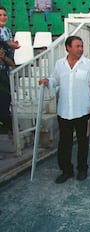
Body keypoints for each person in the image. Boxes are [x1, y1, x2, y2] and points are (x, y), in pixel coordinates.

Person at [39, 36, 90, 184]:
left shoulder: (88, 64)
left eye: (81, 46)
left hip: (82, 110)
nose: (80, 49)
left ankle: (82, 169)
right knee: (64, 143)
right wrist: (48, 81)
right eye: (77, 46)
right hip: (64, 111)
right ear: (68, 47)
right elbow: (55, 80)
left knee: (83, 142)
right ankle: (66, 170)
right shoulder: (60, 64)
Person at [0, 6, 19, 135]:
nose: (3, 17)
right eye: (0, 15)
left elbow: (8, 50)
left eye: (5, 15)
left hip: (5, 70)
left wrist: (12, 46)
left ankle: (7, 127)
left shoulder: (7, 31)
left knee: (6, 99)